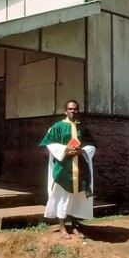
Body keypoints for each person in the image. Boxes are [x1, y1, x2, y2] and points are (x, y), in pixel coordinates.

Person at [39, 100, 96, 239]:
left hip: (80, 168)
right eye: (70, 109)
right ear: (65, 111)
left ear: (78, 111)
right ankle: (62, 226)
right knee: (62, 196)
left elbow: (92, 145)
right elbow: (48, 143)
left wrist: (82, 151)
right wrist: (65, 149)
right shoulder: (58, 127)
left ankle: (75, 226)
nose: (72, 111)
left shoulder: (83, 127)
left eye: (75, 109)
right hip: (63, 168)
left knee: (77, 197)